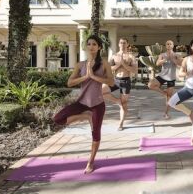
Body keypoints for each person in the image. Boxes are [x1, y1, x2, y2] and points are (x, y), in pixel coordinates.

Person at [53, 35, 115, 174]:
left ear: (99, 47)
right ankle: (86, 116)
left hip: (97, 104)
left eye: (94, 44)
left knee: (96, 134)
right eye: (89, 44)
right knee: (57, 119)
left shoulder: (104, 63)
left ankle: (91, 162)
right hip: (82, 103)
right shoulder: (80, 65)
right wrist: (86, 76)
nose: (91, 46)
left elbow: (111, 82)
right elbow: (69, 83)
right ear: (86, 46)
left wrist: (94, 76)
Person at [101, 37, 138, 130]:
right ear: (118, 44)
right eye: (121, 42)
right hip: (115, 80)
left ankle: (121, 124)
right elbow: (108, 69)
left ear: (127, 44)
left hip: (126, 81)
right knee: (100, 91)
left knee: (124, 103)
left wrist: (124, 64)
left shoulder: (131, 56)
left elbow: (134, 70)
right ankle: (117, 101)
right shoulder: (114, 56)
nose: (122, 44)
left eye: (124, 43)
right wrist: (118, 65)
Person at [148, 39, 182, 119]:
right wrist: (165, 59)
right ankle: (164, 93)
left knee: (169, 98)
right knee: (150, 85)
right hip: (163, 76)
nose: (169, 45)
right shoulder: (162, 54)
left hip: (171, 78)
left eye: (170, 44)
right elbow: (157, 63)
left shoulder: (176, 55)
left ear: (173, 46)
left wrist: (173, 59)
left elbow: (180, 64)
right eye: (167, 44)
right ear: (165, 46)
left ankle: (166, 113)